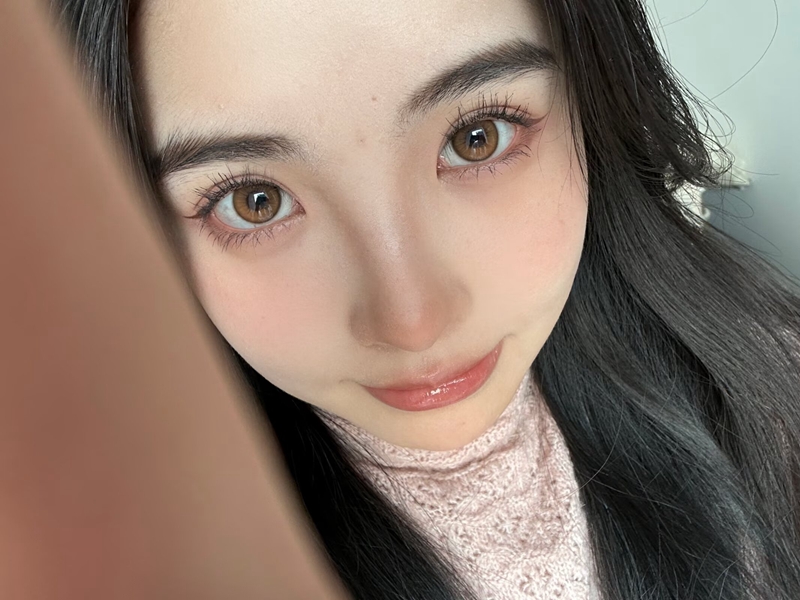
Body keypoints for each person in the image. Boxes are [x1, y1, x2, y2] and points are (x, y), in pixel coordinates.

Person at [49, 0, 800, 598]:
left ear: (592, 98)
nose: (412, 321)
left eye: (478, 136)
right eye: (255, 201)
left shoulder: (770, 389)